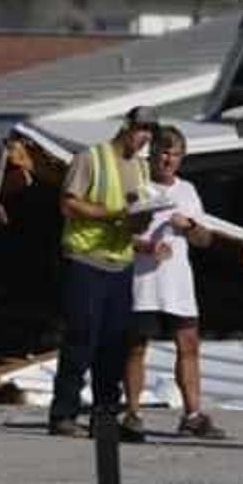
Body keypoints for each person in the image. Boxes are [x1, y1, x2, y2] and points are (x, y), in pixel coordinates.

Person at [48, 106, 158, 438]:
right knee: (81, 337)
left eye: (149, 131)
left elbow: (135, 211)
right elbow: (68, 203)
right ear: (126, 127)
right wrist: (112, 215)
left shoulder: (140, 167)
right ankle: (63, 414)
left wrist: (142, 221)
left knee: (114, 343)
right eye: (141, 129)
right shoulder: (91, 158)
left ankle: (106, 416)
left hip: (120, 261)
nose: (144, 137)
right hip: (85, 258)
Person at [119, 125, 226, 442]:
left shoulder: (188, 191)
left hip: (178, 285)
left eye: (175, 154)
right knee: (136, 347)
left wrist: (189, 225)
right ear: (152, 155)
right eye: (163, 153)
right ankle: (133, 413)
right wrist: (146, 247)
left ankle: (192, 414)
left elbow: (206, 238)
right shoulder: (136, 187)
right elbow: (118, 236)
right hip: (142, 282)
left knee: (189, 346)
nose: (168, 160)